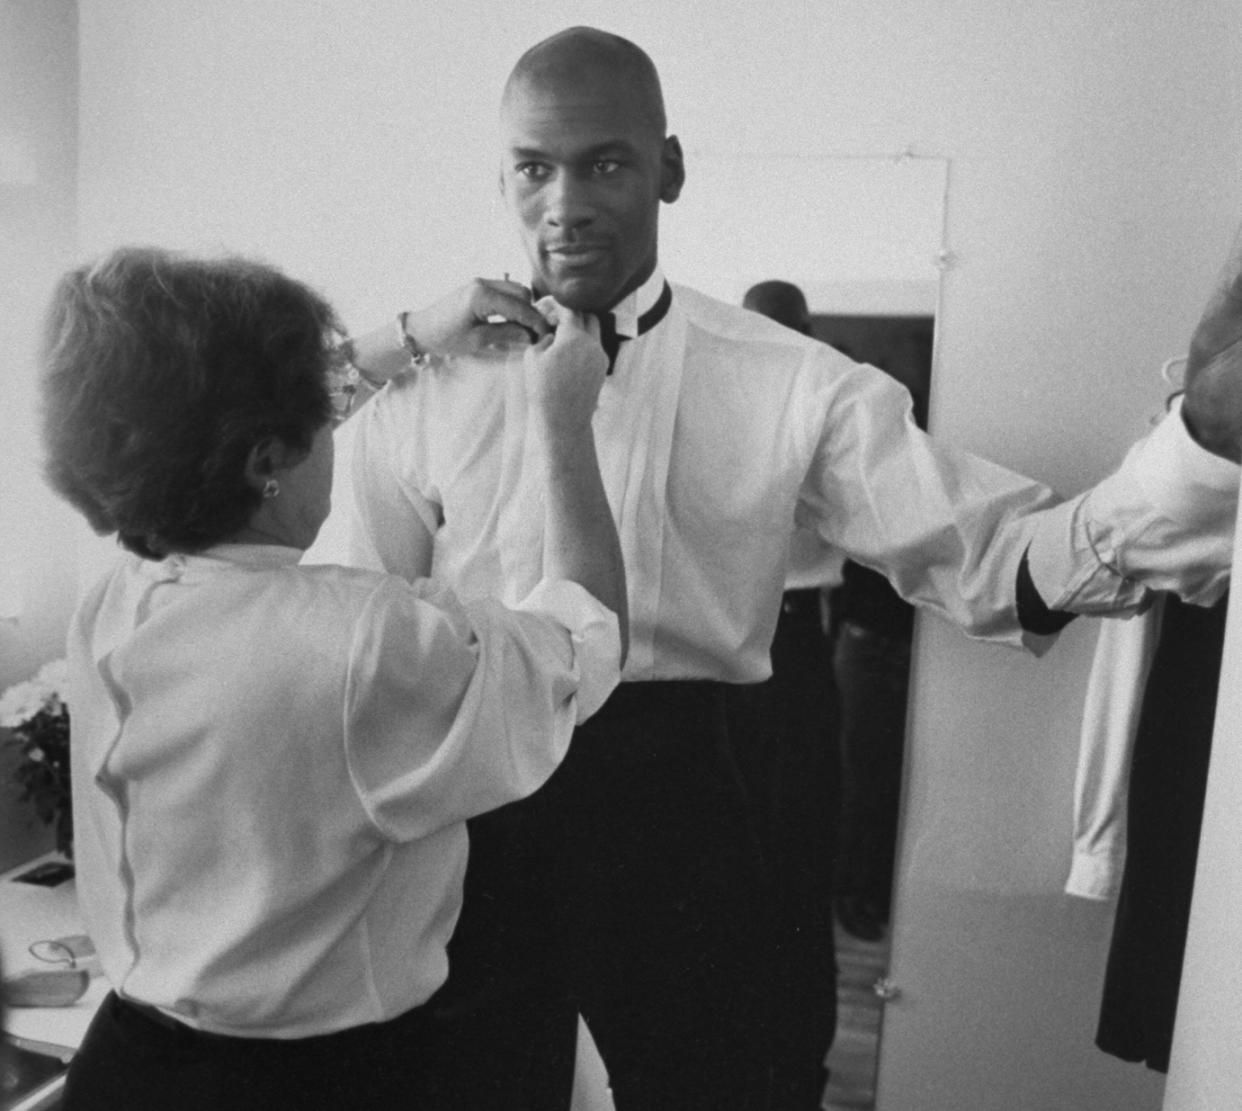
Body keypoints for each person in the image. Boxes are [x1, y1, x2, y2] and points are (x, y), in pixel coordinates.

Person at [343, 27, 1242, 1111]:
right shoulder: (423, 388)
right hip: (475, 793)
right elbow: (360, 629)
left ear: (669, 167)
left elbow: (1005, 559)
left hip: (692, 798)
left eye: (607, 163)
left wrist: (1199, 447)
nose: (565, 202)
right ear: (502, 178)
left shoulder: (793, 385)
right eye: (535, 168)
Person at [40, 246, 626, 1111]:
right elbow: (586, 641)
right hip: (319, 1088)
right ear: (266, 459)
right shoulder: (367, 641)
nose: (335, 428)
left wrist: (414, 337)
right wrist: (566, 424)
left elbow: (239, 425)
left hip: (127, 1069)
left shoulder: (115, 602)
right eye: (319, 419)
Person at [725, 279, 843, 1108]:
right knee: (732, 863)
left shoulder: (829, 408)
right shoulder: (717, 418)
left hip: (796, 638)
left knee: (800, 867)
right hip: (726, 649)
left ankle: (798, 1075)